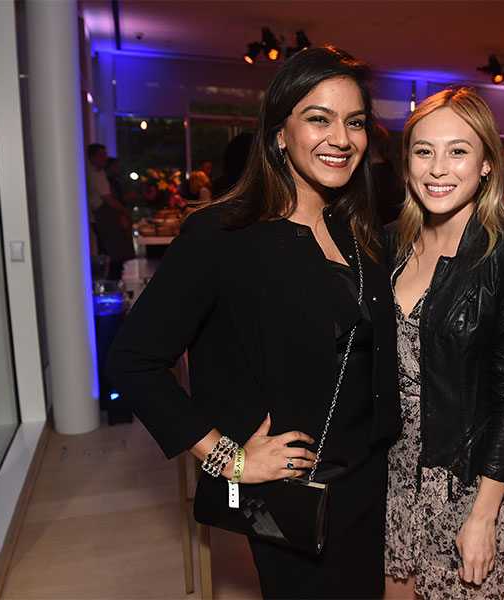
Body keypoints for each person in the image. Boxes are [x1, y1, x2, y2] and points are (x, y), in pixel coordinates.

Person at [106, 46, 401, 599]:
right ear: (279, 132)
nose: (341, 138)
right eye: (318, 117)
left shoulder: (360, 232)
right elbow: (134, 360)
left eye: (355, 121)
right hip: (293, 486)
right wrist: (227, 457)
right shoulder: (221, 236)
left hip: (370, 481)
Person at [384, 87, 504, 599]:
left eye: (458, 151)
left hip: (462, 480)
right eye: (423, 150)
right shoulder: (388, 241)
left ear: (486, 165)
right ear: (406, 160)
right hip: (389, 472)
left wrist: (484, 516)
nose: (438, 168)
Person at [87, 144, 134, 279]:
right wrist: (124, 212)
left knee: (113, 256)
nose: (105, 159)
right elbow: (110, 201)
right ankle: (113, 289)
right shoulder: (95, 177)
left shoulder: (98, 176)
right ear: (92, 157)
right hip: (104, 221)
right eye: (102, 155)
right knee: (113, 257)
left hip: (106, 220)